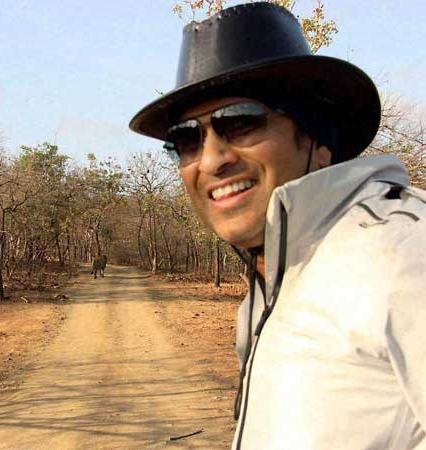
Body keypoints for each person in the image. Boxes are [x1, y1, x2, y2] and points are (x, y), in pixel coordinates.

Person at [130, 2, 426, 449]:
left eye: (240, 121)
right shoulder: (269, 285)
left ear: (317, 142)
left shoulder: (401, 250)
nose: (211, 160)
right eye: (186, 139)